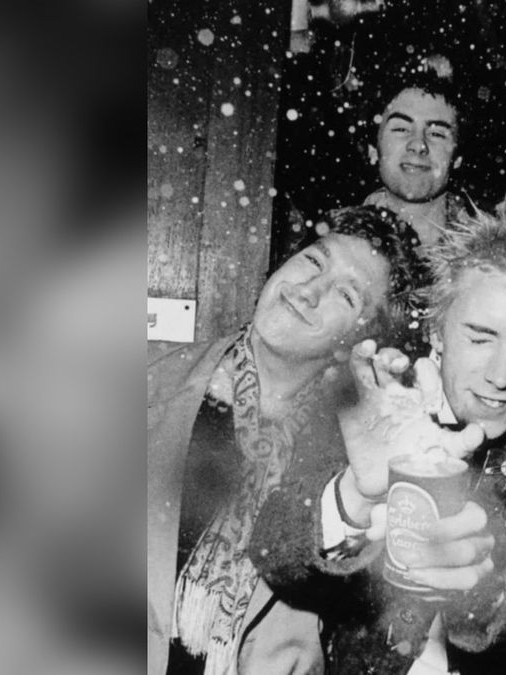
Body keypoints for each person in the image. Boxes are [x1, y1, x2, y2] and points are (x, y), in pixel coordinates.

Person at [248, 200, 506, 674]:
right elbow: (276, 550)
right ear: (437, 331)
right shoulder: (381, 387)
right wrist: (356, 494)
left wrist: (483, 575)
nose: (502, 375)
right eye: (480, 338)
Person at [147, 206, 427, 675]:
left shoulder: (356, 465)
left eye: (346, 294)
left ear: (360, 341)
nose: (309, 290)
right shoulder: (144, 378)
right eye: (314, 261)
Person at [360, 65, 472, 246]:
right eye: (401, 129)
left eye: (436, 134)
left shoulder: (501, 248)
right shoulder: (340, 245)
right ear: (373, 150)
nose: (418, 145)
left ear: (457, 158)